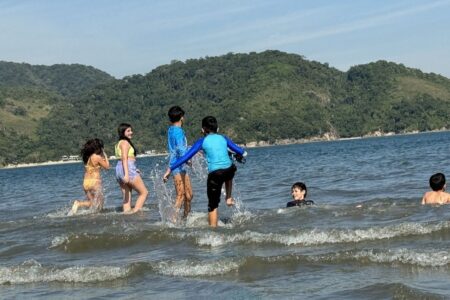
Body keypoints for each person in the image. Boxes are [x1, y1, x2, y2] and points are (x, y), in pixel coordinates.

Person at [163, 116, 246, 227]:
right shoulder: (224, 138)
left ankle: (213, 232)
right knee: (229, 170)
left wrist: (170, 169)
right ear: (218, 128)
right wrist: (240, 154)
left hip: (215, 174)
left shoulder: (202, 141)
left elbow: (185, 158)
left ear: (203, 130)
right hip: (229, 171)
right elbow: (240, 151)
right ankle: (229, 198)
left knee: (213, 206)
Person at [69, 138, 110, 215]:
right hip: (95, 182)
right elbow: (107, 167)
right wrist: (105, 156)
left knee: (92, 203)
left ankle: (80, 205)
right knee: (99, 202)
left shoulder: (87, 157)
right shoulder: (97, 157)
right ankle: (80, 204)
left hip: (86, 182)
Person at [115, 123, 148, 214]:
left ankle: (127, 215)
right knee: (144, 193)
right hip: (127, 169)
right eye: (128, 131)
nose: (131, 132)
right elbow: (125, 158)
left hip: (119, 169)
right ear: (122, 132)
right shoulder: (125, 143)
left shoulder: (118, 143)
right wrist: (127, 174)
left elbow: (123, 159)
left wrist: (134, 169)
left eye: (131, 130)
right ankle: (135, 213)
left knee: (127, 196)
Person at [167, 106, 193, 219]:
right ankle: (172, 221)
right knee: (181, 195)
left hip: (180, 165)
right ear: (182, 117)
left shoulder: (171, 129)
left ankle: (185, 218)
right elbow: (180, 149)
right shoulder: (178, 131)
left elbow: (179, 147)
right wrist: (188, 159)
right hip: (177, 165)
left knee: (189, 195)